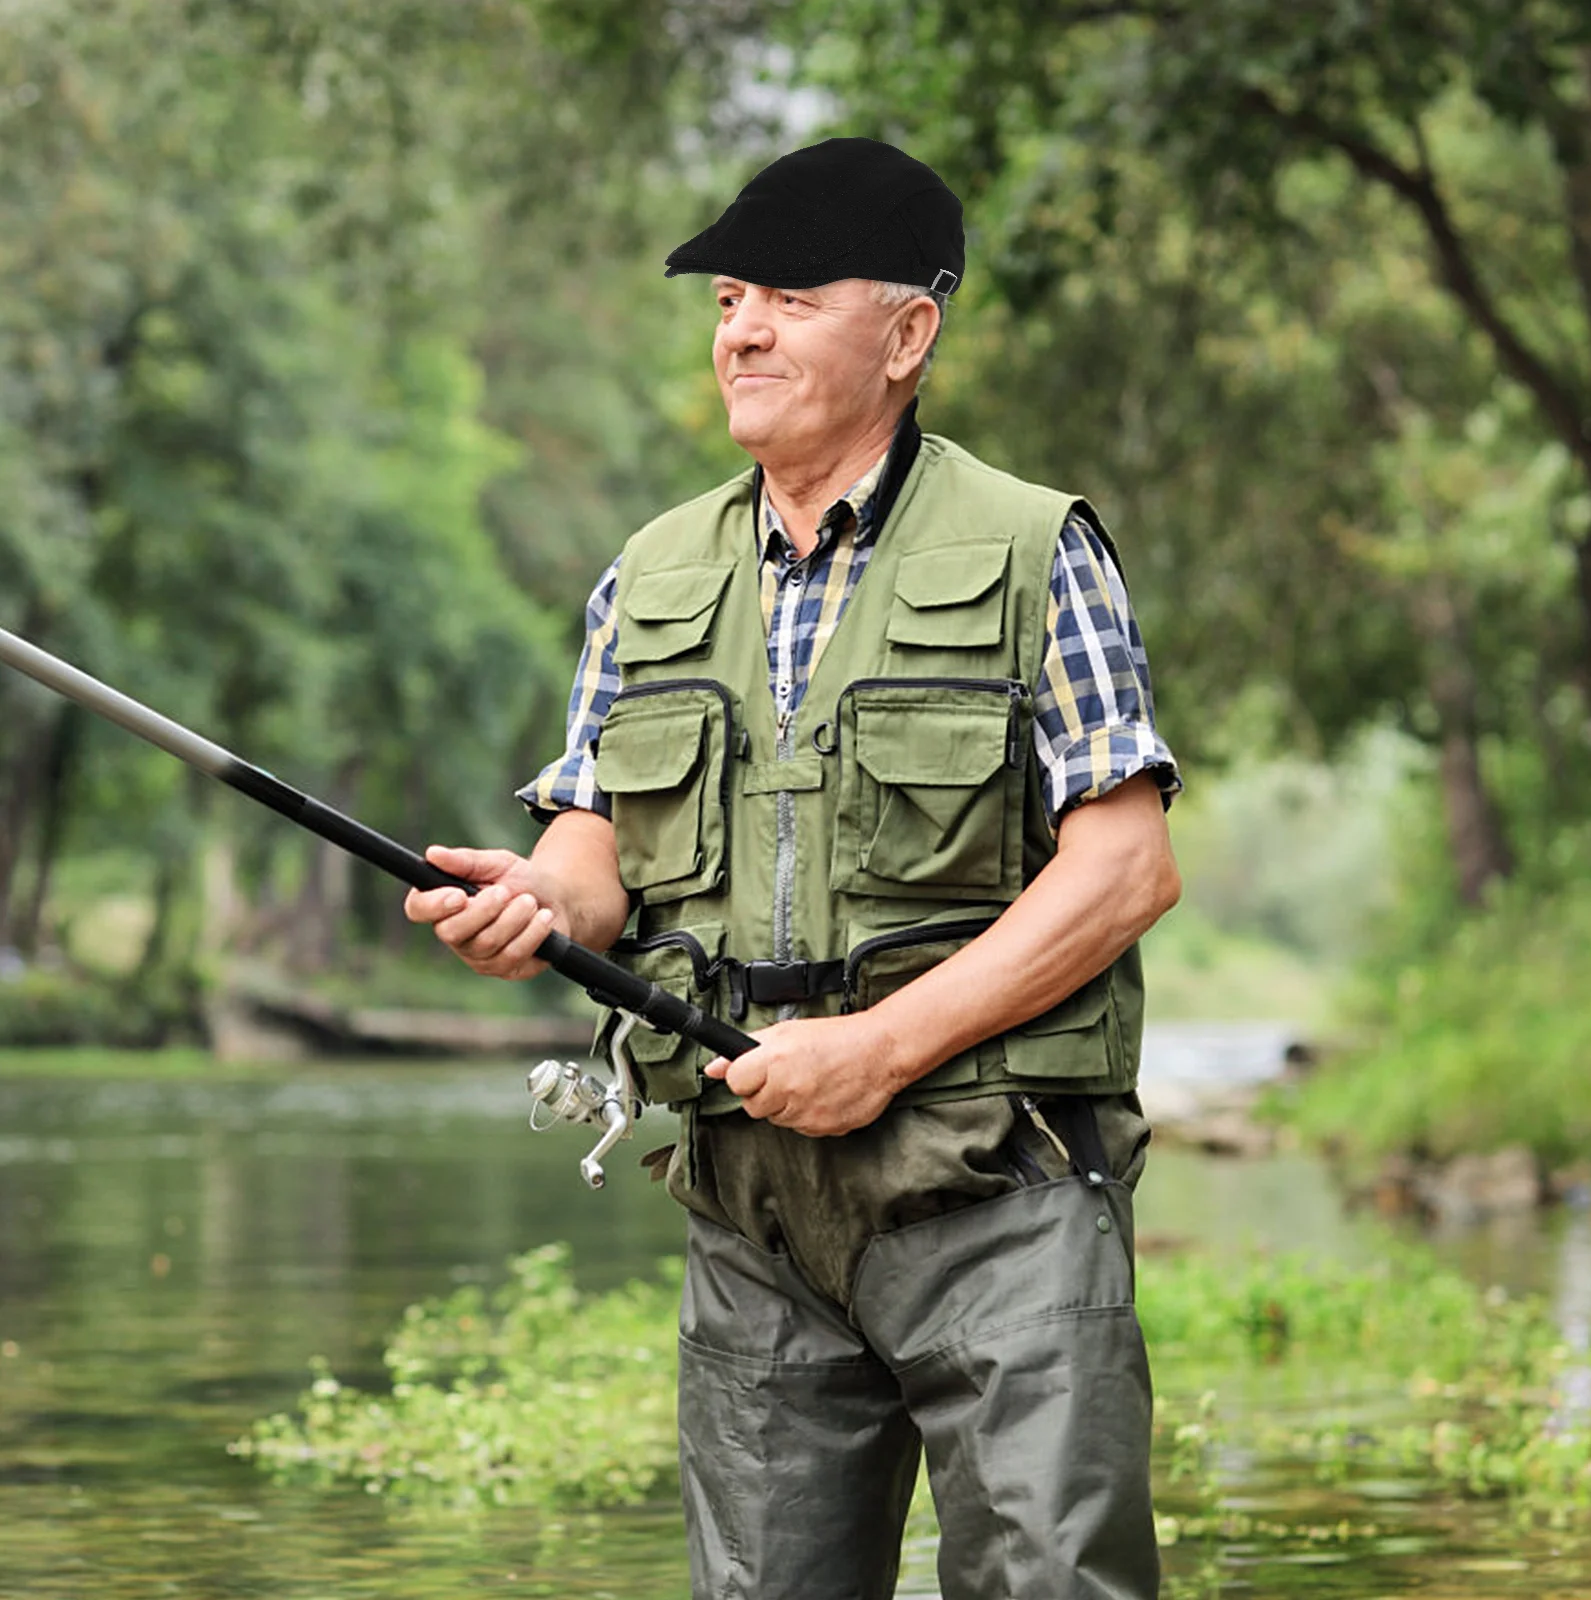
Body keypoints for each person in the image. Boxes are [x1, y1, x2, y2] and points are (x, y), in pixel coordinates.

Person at [406, 136, 1182, 1600]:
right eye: (725, 301)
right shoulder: (650, 575)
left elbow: (1126, 869)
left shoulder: (1035, 550)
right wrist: (534, 906)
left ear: (908, 333)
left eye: (788, 295)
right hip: (751, 1203)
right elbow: (598, 849)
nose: (741, 329)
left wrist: (880, 1049)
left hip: (995, 1182)